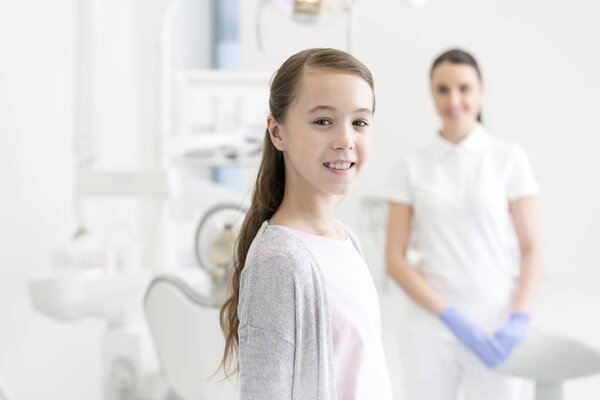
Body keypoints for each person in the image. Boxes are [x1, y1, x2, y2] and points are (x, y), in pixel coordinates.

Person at [219, 48, 393, 400]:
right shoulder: (279, 262)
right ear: (277, 132)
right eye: (323, 121)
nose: (345, 140)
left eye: (359, 122)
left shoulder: (348, 242)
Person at [385, 48, 543, 399]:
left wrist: (519, 318)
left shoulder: (509, 159)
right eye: (442, 89)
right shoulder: (410, 166)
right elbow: (394, 259)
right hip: (426, 327)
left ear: (481, 91)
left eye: (464, 88)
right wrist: (451, 317)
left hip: (495, 326)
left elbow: (531, 249)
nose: (453, 99)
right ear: (431, 94)